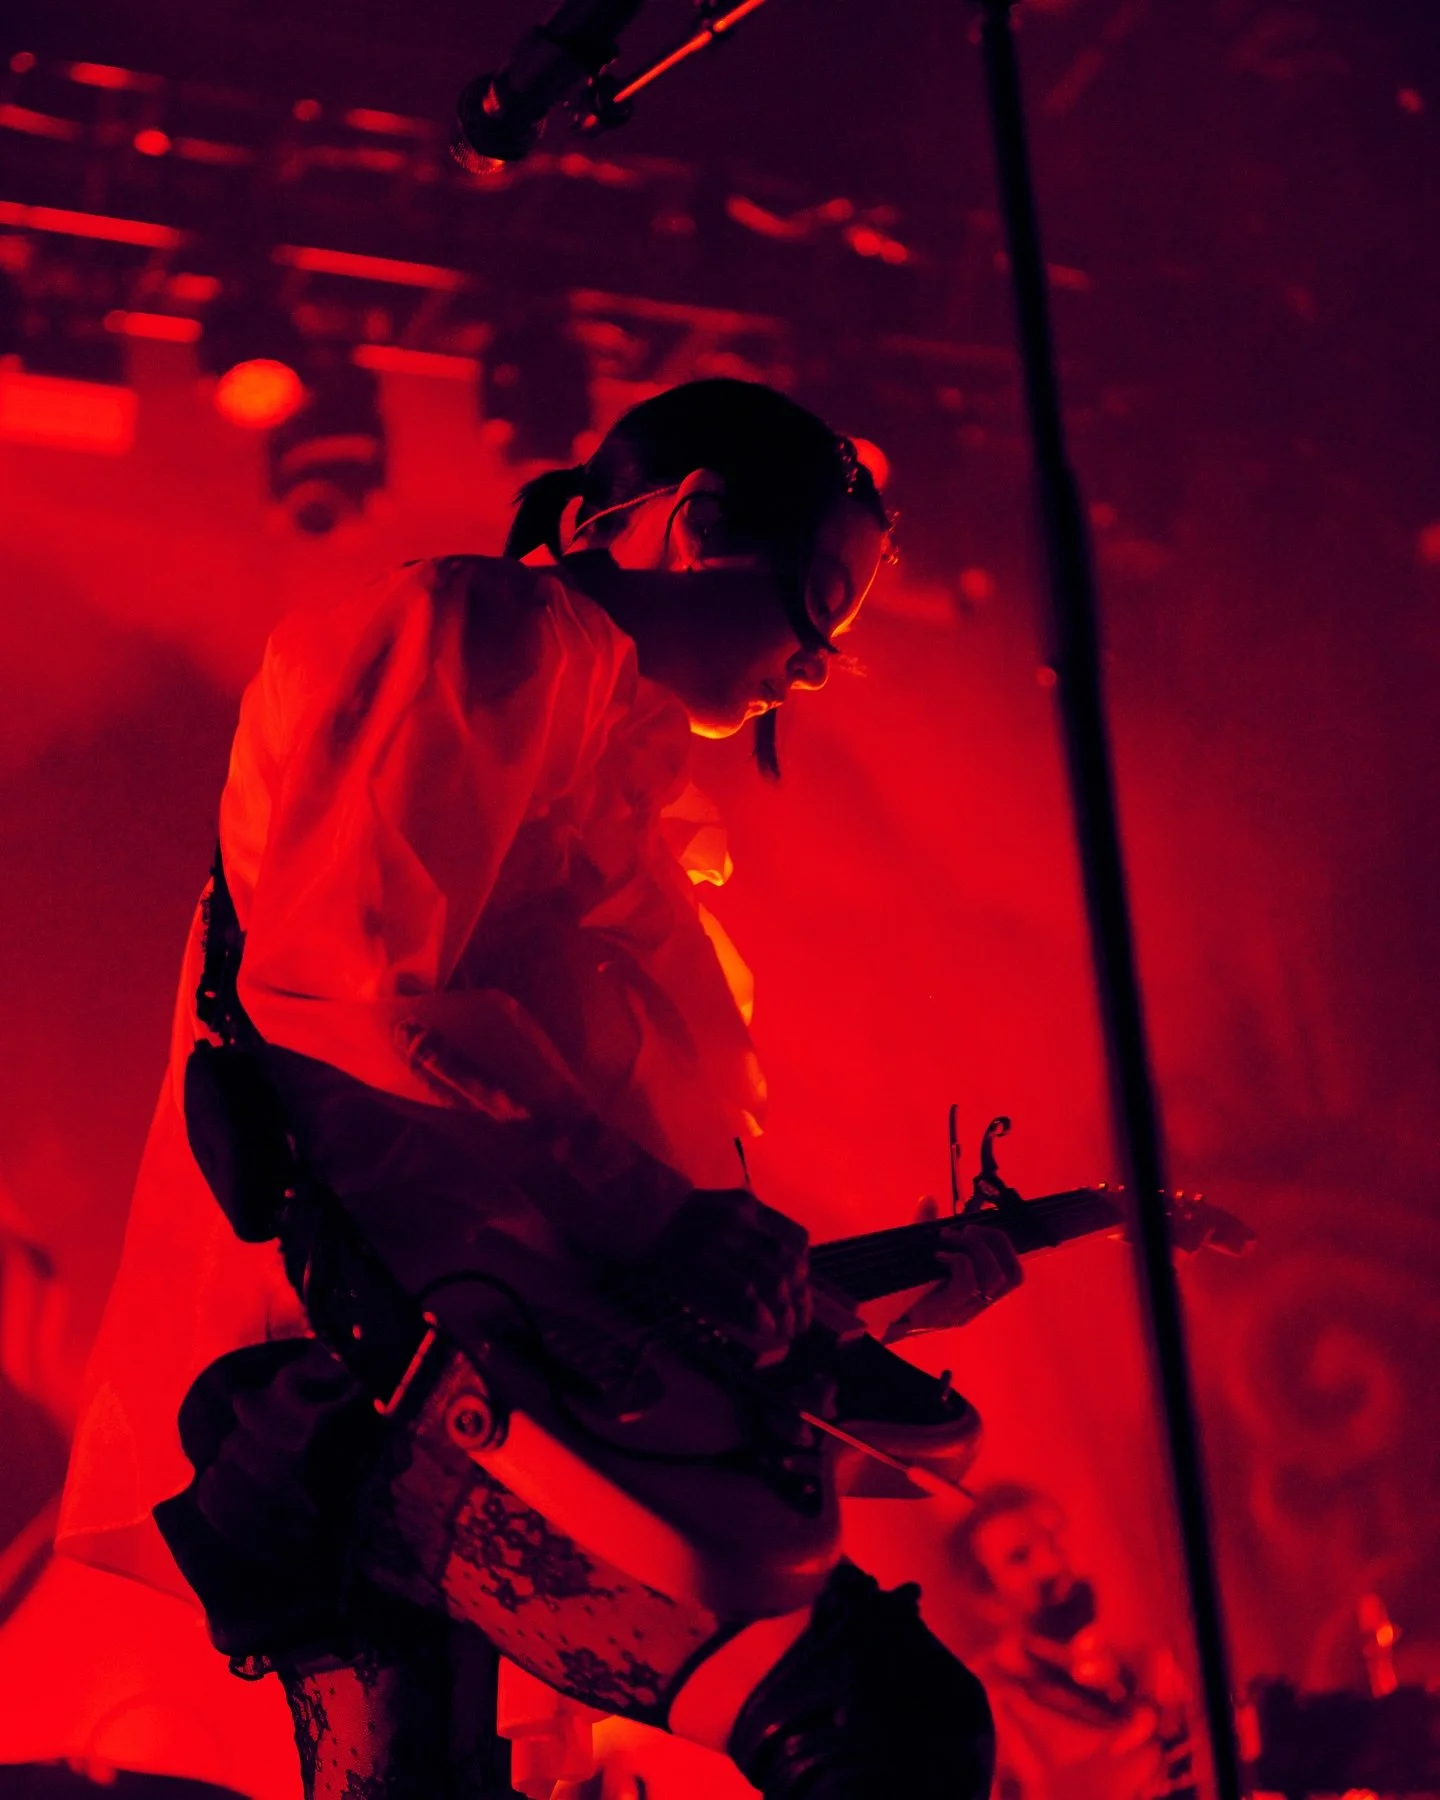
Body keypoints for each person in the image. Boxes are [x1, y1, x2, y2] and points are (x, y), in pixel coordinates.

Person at [57, 378, 1021, 1800]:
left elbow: (581, 1142)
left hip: (457, 1364)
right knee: (875, 1726)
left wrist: (820, 1293)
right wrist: (671, 1229)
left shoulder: (590, 740)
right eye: (819, 600)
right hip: (387, 1363)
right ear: (695, 522)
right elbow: (355, 1002)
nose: (817, 665)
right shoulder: (480, 630)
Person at [946, 1483, 1196, 1800]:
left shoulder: (1151, 1667)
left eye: (1055, 1537)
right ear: (988, 1594)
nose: (1053, 1564)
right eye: (1019, 1558)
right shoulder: (981, 1705)